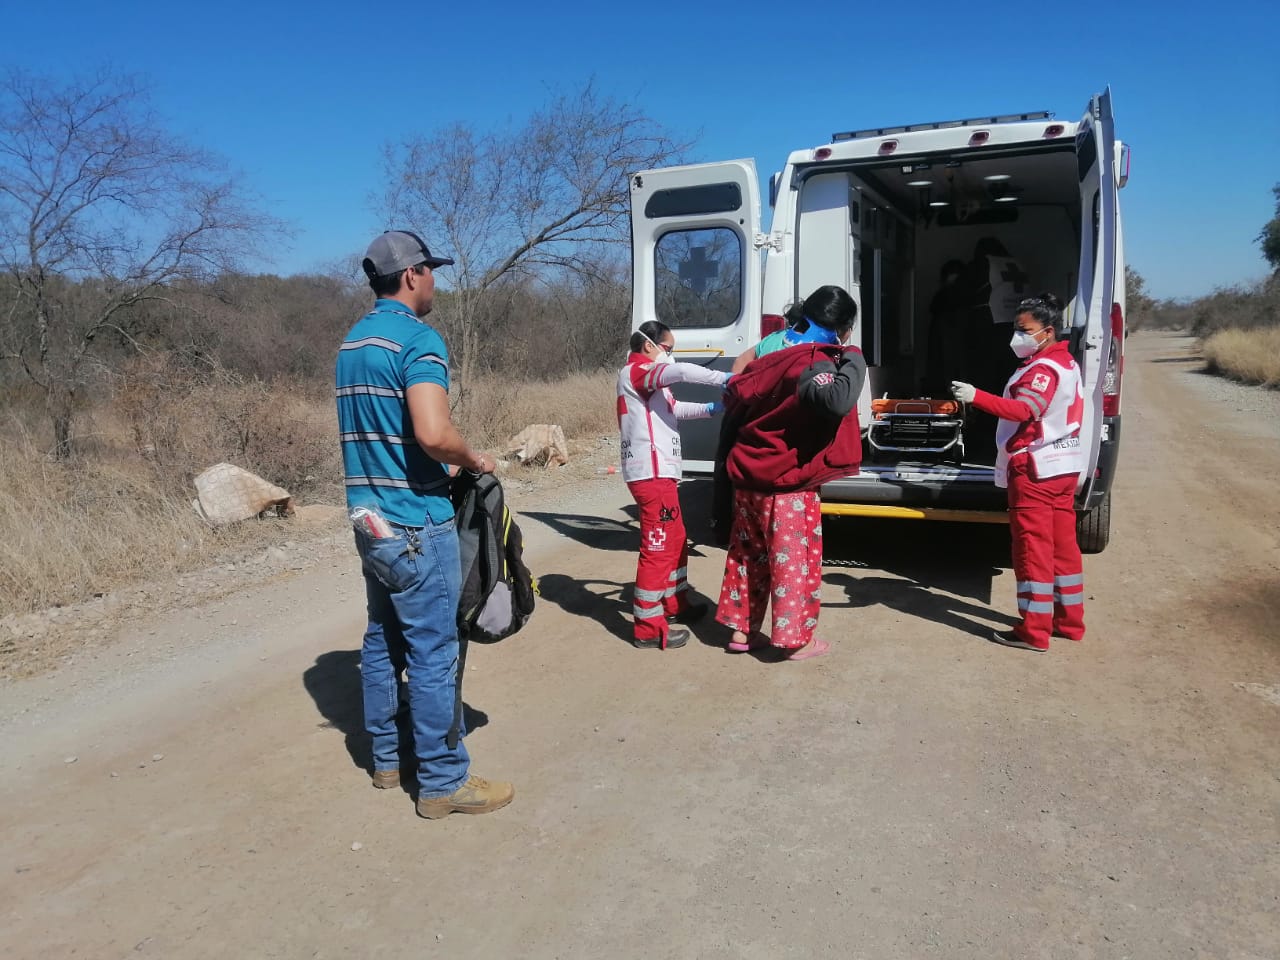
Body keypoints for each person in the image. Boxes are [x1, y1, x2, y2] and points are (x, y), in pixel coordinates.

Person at [336, 229, 514, 818]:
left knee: (382, 640)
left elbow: (386, 436)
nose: (435, 280)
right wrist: (473, 459)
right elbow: (434, 434)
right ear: (412, 274)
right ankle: (442, 781)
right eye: (431, 270)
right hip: (416, 526)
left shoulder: (353, 343)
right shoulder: (418, 340)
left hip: (370, 522)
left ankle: (387, 760)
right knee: (434, 652)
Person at [715, 285, 867, 660]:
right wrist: (854, 357)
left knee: (747, 556)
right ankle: (796, 640)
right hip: (787, 483)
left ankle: (742, 631)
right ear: (844, 328)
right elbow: (836, 400)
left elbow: (738, 372)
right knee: (794, 559)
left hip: (748, 474)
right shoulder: (814, 360)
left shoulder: (772, 345)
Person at [950, 292, 1086, 652]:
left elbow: (1026, 410)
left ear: (1048, 331)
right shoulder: (1065, 362)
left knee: (1032, 551)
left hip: (1036, 470)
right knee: (1063, 549)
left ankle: (1034, 632)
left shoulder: (1042, 369)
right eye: (1016, 328)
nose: (1017, 336)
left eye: (1025, 330)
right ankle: (1069, 623)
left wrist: (975, 397)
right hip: (1063, 467)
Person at [618, 320, 732, 650]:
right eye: (667, 349)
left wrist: (714, 408)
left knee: (677, 538)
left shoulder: (647, 380)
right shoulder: (638, 372)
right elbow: (680, 372)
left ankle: (675, 601)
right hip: (649, 473)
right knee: (658, 546)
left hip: (660, 473)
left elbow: (675, 409)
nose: (670, 355)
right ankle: (648, 626)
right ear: (648, 345)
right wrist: (725, 378)